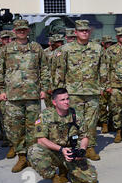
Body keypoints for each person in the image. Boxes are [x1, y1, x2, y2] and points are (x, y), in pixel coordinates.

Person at [0, 19, 50, 173]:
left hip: (33, 95)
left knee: (34, 127)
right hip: (13, 96)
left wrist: (44, 88)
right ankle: (21, 156)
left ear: (28, 31)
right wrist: (0, 90)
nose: (21, 32)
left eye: (24, 29)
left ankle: (33, 156)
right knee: (15, 128)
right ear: (14, 31)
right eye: (19, 30)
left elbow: (44, 69)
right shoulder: (7, 49)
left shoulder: (36, 48)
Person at [27, 88, 98, 183]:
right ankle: (55, 179)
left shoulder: (75, 115)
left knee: (91, 180)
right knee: (34, 151)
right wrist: (61, 149)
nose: (66, 102)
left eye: (67, 98)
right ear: (54, 102)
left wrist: (82, 150)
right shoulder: (46, 115)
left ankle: (68, 171)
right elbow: (41, 140)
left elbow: (85, 136)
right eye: (62, 100)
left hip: (71, 153)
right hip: (54, 152)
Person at [53, 20, 107, 161]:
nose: (84, 32)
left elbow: (103, 69)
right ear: (75, 32)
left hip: (92, 91)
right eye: (81, 30)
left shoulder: (97, 48)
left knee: (91, 121)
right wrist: (60, 90)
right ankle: (76, 147)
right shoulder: (66, 49)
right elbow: (60, 70)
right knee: (75, 121)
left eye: (87, 30)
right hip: (73, 92)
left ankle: (90, 147)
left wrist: (102, 87)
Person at [106, 26, 122, 143]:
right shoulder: (110, 50)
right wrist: (107, 86)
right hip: (115, 85)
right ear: (117, 37)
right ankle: (119, 131)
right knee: (116, 110)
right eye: (121, 36)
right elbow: (106, 68)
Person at [98, 35, 114, 134]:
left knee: (113, 105)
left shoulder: (113, 52)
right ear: (103, 43)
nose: (109, 45)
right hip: (101, 83)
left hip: (112, 82)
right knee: (102, 106)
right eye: (107, 43)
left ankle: (111, 123)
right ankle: (104, 123)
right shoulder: (99, 53)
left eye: (110, 43)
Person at [44, 33, 65, 108]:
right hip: (49, 80)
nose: (61, 44)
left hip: (59, 80)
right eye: (58, 42)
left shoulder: (63, 52)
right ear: (53, 43)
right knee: (49, 104)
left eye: (61, 42)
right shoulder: (45, 52)